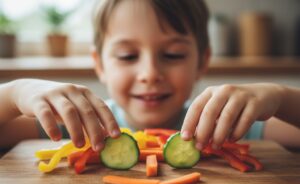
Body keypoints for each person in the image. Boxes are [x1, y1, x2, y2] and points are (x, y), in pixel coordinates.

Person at [0, 0, 300, 152]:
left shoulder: (231, 124)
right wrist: (15, 92)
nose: (150, 74)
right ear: (99, 64)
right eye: (128, 56)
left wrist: (280, 97)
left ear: (202, 62)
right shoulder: (73, 122)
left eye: (172, 55)